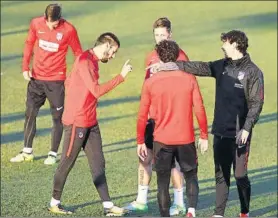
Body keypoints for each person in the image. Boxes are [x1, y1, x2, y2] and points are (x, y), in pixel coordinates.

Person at [150, 30, 265, 217]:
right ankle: (218, 213)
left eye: (225, 42)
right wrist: (170, 66)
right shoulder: (221, 66)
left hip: (240, 133)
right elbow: (199, 67)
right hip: (220, 130)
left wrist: (246, 128)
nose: (222, 45)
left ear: (235, 44)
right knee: (221, 175)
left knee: (240, 175)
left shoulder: (253, 72)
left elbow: (256, 103)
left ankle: (245, 211)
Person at [48, 32, 132, 216]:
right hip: (78, 122)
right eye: (113, 52)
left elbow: (71, 83)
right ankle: (54, 202)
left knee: (98, 163)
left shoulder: (92, 60)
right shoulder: (85, 61)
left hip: (90, 121)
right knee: (67, 161)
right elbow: (96, 91)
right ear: (107, 46)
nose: (113, 56)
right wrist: (121, 77)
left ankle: (108, 206)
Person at [125, 17, 189, 216]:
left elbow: (186, 88)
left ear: (171, 34)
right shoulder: (151, 56)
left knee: (172, 164)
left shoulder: (181, 57)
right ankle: (141, 200)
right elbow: (147, 87)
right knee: (144, 157)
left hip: (170, 120)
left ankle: (179, 203)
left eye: (163, 34)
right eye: (156, 35)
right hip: (151, 117)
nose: (160, 39)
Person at [137, 40, 209, 217]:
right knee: (191, 175)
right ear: (178, 56)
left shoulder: (151, 83)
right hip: (186, 138)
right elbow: (199, 108)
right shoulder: (189, 78)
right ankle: (191, 209)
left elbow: (142, 115)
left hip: (162, 140)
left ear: (159, 58)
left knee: (162, 182)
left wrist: (140, 140)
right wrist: (204, 135)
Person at [10, 3, 83, 165]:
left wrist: (76, 76)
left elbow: (78, 53)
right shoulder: (36, 23)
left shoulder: (69, 30)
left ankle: (52, 153)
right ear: (45, 17)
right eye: (50, 23)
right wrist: (25, 67)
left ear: (60, 18)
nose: (52, 26)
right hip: (36, 79)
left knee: (57, 118)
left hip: (56, 82)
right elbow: (29, 44)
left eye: (55, 24)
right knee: (30, 113)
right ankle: (27, 151)